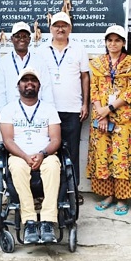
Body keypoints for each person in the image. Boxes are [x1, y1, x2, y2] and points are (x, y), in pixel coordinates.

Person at [88, 25, 131, 216]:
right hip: (101, 118)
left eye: (117, 40)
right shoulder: (98, 64)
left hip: (124, 119)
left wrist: (109, 109)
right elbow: (94, 90)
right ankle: (108, 195)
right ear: (105, 42)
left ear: (123, 42)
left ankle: (122, 197)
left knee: (122, 157)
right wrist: (101, 113)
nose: (113, 44)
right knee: (102, 154)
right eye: (110, 40)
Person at [0, 67, 62, 244]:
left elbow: (56, 139)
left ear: (39, 85)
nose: (29, 83)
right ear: (18, 85)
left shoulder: (49, 109)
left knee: (53, 165)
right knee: (17, 168)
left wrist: (42, 154)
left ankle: (48, 220)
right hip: (19, 155)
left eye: (33, 80)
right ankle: (29, 221)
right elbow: (8, 140)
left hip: (46, 155)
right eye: (25, 80)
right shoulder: (9, 110)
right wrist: (25, 156)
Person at [37, 12, 90, 204]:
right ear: (50, 28)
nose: (60, 29)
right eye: (56, 25)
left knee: (71, 151)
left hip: (73, 109)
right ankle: (44, 190)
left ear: (70, 28)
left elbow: (85, 76)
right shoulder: (41, 50)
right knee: (48, 152)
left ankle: (72, 189)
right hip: (48, 110)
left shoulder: (79, 49)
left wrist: (85, 103)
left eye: (64, 25)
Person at [0, 21, 54, 112]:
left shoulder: (39, 61)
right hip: (11, 112)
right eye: (17, 36)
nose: (21, 39)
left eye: (25, 36)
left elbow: (46, 88)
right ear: (12, 39)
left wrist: (48, 111)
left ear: (29, 39)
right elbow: (0, 91)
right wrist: (4, 113)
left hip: (36, 112)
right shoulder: (3, 62)